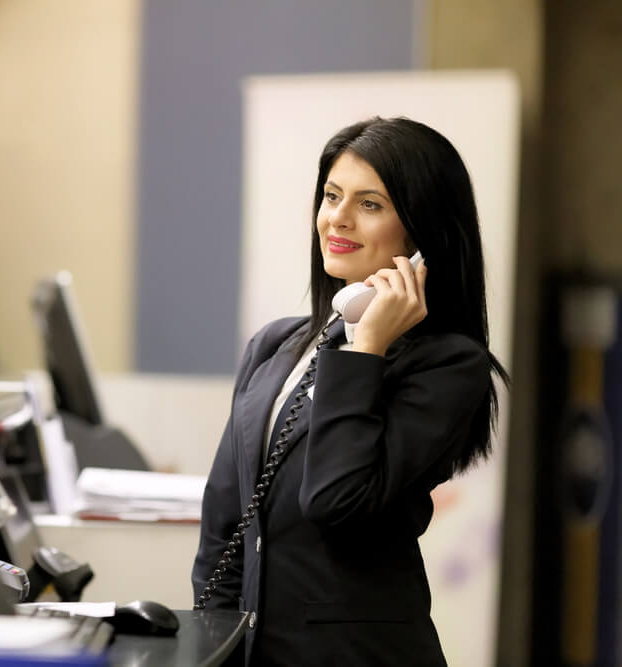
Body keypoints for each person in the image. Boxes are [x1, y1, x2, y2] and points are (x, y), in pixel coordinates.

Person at [192, 116, 509, 666]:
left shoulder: (449, 365)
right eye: (332, 195)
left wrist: (366, 350)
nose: (337, 218)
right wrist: (208, 646)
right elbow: (225, 520)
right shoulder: (274, 346)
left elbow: (335, 500)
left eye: (369, 204)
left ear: (421, 233)